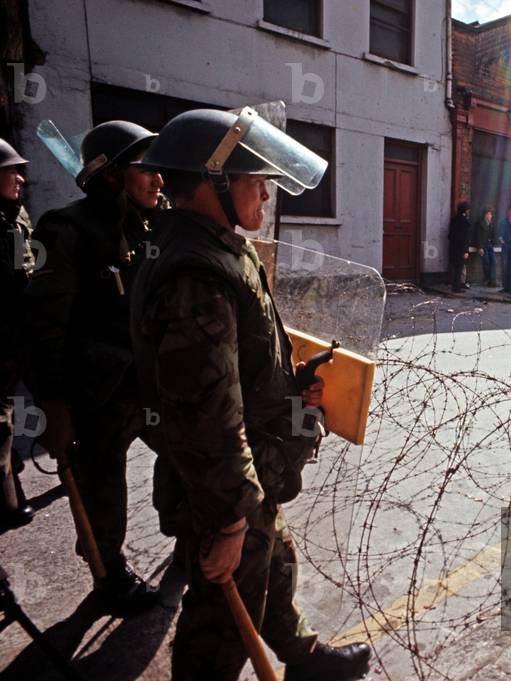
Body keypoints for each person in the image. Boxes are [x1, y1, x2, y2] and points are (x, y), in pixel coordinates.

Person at [130, 108, 372, 680]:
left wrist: (290, 388)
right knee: (218, 622)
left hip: (241, 475)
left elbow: (235, 365)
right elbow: (206, 415)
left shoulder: (213, 247)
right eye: (254, 178)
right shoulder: (197, 275)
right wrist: (232, 520)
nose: (266, 192)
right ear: (214, 181)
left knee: (275, 562)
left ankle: (304, 657)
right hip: (223, 484)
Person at [23, 121, 166, 614]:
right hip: (97, 393)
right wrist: (53, 405)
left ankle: (192, 533)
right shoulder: (65, 229)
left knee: (188, 456)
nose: (158, 178)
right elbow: (44, 327)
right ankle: (108, 576)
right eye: (144, 166)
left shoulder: (151, 227)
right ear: (109, 174)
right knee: (102, 488)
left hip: (148, 385)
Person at [0, 138, 34, 529]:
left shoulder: (16, 215)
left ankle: (11, 473)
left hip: (21, 331)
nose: (21, 178)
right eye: (11, 172)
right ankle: (7, 500)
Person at [448, 201, 472, 292]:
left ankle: (454, 285)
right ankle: (456, 287)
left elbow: (449, 236)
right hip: (461, 249)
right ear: (465, 211)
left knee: (454, 268)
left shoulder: (454, 220)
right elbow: (465, 238)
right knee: (459, 268)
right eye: (468, 210)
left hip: (453, 248)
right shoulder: (464, 222)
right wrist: (465, 250)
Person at [473, 206, 497, 287]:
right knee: (486, 261)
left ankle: (492, 280)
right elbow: (477, 236)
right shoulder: (480, 223)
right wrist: (479, 247)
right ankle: (487, 278)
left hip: (489, 245)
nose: (491, 216)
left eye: (491, 214)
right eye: (490, 214)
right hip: (483, 245)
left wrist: (493, 243)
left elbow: (493, 235)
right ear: (486, 214)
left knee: (493, 261)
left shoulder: (491, 224)